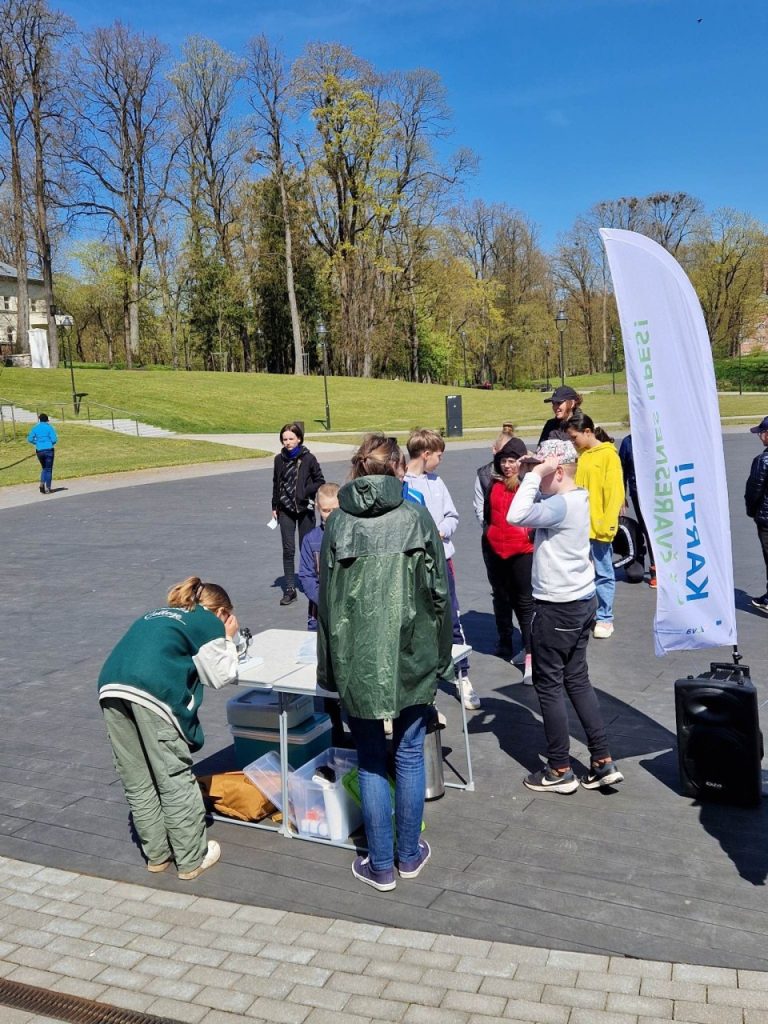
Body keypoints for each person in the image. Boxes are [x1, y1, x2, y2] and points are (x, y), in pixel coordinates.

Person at [317, 434, 452, 892]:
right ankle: (407, 855)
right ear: (396, 466)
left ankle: (381, 864)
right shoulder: (415, 516)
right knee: (409, 754)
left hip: (357, 658)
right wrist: (443, 657)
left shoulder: (337, 525)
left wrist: (328, 672)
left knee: (373, 758)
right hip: (413, 652)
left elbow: (327, 606)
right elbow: (440, 596)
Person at [97, 576, 240, 879]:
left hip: (111, 686)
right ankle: (191, 859)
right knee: (173, 776)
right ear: (221, 611)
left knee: (137, 776)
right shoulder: (208, 620)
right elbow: (221, 675)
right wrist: (228, 637)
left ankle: (157, 855)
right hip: (152, 691)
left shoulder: (160, 614)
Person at [508, 439, 624, 794]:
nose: (537, 476)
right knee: (577, 679)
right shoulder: (578, 496)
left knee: (549, 685)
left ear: (557, 471)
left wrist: (534, 475)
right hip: (582, 601)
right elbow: (540, 501)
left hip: (556, 607)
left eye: (545, 472)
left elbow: (515, 515)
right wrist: (535, 468)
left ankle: (559, 768)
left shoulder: (559, 507)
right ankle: (602, 759)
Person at [403, 428, 476, 710]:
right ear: (426, 454)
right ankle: (422, 682)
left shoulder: (437, 482)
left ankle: (462, 675)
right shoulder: (401, 483)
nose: (440, 461)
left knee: (451, 617)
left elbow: (452, 515)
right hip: (415, 564)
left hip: (442, 560)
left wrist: (441, 530)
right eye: (439, 456)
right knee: (418, 622)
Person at [565, 410, 624, 639]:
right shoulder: (581, 455)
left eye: (574, 437)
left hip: (599, 526)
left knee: (603, 571)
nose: (573, 442)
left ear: (587, 432)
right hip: (579, 526)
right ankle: (584, 614)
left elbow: (614, 492)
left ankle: (605, 617)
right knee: (581, 571)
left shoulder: (608, 455)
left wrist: (608, 525)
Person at [480, 437, 535, 680]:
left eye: (512, 461)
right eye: (503, 461)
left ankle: (532, 654)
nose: (507, 466)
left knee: (525, 604)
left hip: (522, 551)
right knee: (501, 597)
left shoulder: (527, 485)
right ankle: (505, 640)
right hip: (496, 549)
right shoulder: (493, 484)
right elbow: (488, 515)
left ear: (521, 462)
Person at [271, 422, 325, 606]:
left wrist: (304, 490)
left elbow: (320, 480)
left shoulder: (308, 458)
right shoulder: (279, 459)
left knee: (306, 547)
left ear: (299, 439)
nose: (288, 442)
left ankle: (314, 583)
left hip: (304, 508)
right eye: (285, 439)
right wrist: (274, 505)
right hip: (285, 508)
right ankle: (290, 588)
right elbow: (276, 483)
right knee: (288, 549)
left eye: (291, 439)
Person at [298, 482, 341, 631]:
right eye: (326, 510)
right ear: (317, 506)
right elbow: (306, 575)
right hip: (319, 614)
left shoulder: (351, 535)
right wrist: (325, 602)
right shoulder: (311, 539)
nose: (330, 515)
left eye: (335, 510)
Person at [618, 433, 656, 588]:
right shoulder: (628, 442)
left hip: (663, 491)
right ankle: (655, 568)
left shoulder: (661, 435)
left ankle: (673, 567)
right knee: (649, 530)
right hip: (639, 494)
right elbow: (622, 470)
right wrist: (622, 495)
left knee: (667, 529)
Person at [745, 415, 768, 614]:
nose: (760, 436)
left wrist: (752, 512)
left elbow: (754, 491)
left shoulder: (763, 461)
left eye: (762, 433)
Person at [27, 412, 57, 494]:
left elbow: (29, 439)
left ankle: (41, 484)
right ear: (47, 420)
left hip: (39, 450)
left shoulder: (35, 428)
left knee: (44, 468)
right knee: (49, 469)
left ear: (40, 420)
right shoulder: (49, 427)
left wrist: (36, 442)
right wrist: (49, 443)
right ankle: (48, 488)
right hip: (49, 450)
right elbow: (54, 440)